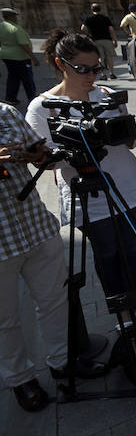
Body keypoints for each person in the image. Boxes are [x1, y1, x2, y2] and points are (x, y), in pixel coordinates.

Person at [25, 30, 136, 331]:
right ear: (62, 65)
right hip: (88, 195)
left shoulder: (107, 96)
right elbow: (46, 162)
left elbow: (132, 142)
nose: (91, 75)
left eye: (96, 68)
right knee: (107, 255)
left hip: (130, 188)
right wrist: (75, 147)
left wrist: (123, 129)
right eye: (83, 69)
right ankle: (122, 312)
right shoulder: (43, 107)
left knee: (130, 252)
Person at [0, 104, 106, 412]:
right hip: (2, 244)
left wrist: (37, 156)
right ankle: (20, 379)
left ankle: (63, 362)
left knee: (55, 301)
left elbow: (43, 158)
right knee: (5, 319)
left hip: (35, 226)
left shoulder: (6, 112)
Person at [0, 7, 40, 106]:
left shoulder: (1, 26)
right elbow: (23, 44)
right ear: (11, 17)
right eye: (15, 16)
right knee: (27, 78)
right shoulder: (16, 28)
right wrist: (34, 58)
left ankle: (10, 97)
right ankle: (32, 98)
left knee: (13, 76)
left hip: (6, 56)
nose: (16, 18)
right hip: (20, 57)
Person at [81, 3, 118, 80]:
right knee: (109, 57)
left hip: (95, 40)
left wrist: (88, 34)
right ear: (100, 9)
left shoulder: (89, 19)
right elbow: (111, 29)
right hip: (107, 39)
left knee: (100, 57)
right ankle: (111, 73)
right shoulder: (105, 18)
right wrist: (115, 40)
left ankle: (103, 74)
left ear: (92, 10)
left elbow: (83, 28)